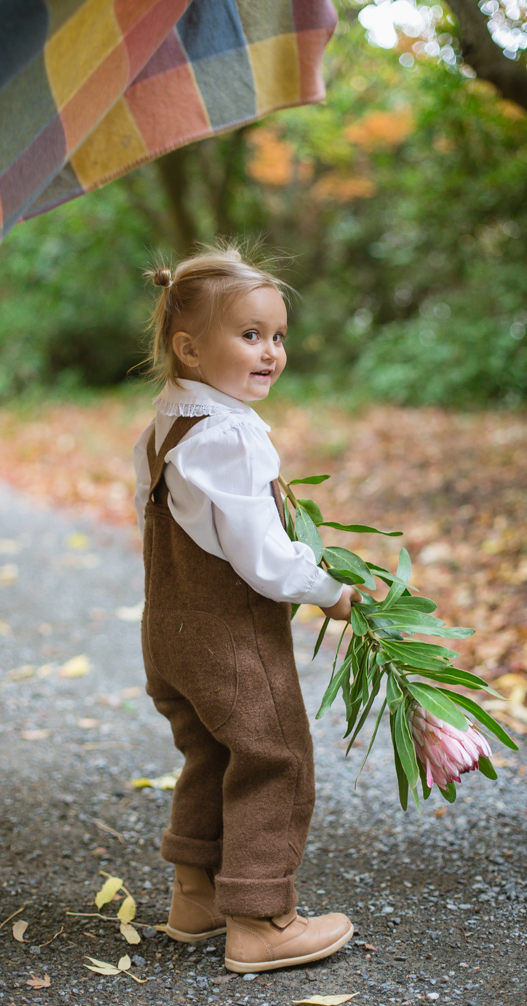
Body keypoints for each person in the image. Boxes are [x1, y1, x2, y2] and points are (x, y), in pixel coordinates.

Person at [133, 243, 358, 973]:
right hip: (228, 638)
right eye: (251, 335)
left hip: (167, 631)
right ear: (189, 348)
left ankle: (194, 895)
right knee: (273, 757)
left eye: (278, 336)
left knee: (209, 751)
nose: (271, 352)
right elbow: (261, 557)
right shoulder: (231, 435)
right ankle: (261, 920)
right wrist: (327, 589)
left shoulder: (166, 424)